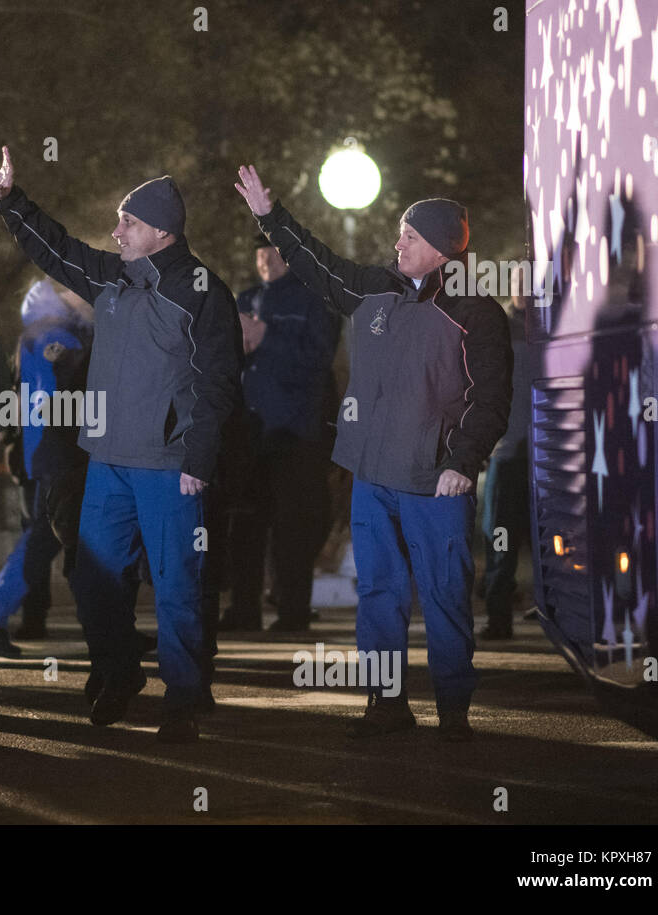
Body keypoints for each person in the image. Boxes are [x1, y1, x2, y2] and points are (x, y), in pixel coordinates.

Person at [235, 165, 511, 742]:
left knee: (444, 595)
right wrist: (271, 216)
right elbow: (318, 263)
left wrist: (463, 462)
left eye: (409, 235)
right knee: (379, 595)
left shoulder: (475, 311)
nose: (397, 242)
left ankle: (454, 708)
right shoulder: (374, 287)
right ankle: (385, 702)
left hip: (437, 479)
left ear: (439, 248)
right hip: (373, 474)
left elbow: (491, 399)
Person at [0, 147, 241, 743]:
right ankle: (120, 670)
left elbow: (219, 382)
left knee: (178, 586)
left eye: (128, 222)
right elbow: (55, 248)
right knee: (93, 578)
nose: (116, 230)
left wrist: (199, 459)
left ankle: (181, 698)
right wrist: (10, 202)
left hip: (169, 465)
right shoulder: (112, 277)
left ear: (161, 231)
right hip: (106, 462)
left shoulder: (202, 290)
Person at [222, 238, 339, 633]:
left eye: (273, 252)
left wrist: (266, 336)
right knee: (245, 528)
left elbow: (320, 359)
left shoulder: (312, 302)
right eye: (259, 253)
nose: (265, 259)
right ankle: (243, 609)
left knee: (293, 528)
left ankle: (293, 612)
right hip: (250, 433)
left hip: (295, 432)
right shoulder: (246, 297)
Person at [0, 279, 92, 657]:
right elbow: (60, 397)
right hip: (61, 454)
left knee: (57, 538)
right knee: (47, 537)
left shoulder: (32, 337)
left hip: (45, 454)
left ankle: (110, 629)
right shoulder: (59, 337)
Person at [478, 275, 537, 639]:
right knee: (500, 537)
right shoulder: (498, 326)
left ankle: (550, 610)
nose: (525, 289)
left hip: (549, 453)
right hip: (508, 450)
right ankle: (499, 618)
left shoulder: (557, 326)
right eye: (520, 282)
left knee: (549, 540)